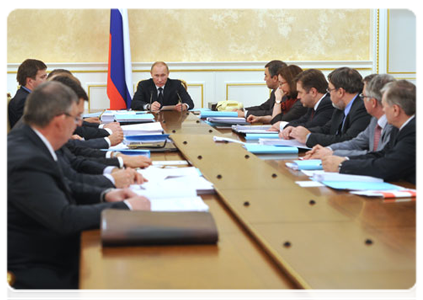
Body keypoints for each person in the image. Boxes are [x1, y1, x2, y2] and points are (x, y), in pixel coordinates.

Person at [5, 81, 151, 300]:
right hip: (32, 266)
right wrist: (126, 207)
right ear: (58, 120)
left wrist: (106, 194)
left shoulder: (34, 139)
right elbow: (64, 218)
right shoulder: (26, 157)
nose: (79, 125)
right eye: (76, 118)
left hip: (48, 246)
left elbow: (68, 182)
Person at [321, 80, 420, 186]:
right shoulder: (399, 127)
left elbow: (388, 167)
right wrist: (345, 160)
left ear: (395, 110)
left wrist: (343, 166)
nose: (383, 110)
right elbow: (382, 154)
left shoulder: (415, 131)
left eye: (385, 106)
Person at [305, 74, 395, 158]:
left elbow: (379, 156)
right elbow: (356, 142)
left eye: (363, 96)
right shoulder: (375, 120)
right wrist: (328, 149)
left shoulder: (394, 125)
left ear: (373, 102)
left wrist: (334, 153)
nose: (361, 100)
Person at [289, 67, 371, 147]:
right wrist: (297, 131)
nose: (329, 94)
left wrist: (309, 137)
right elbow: (326, 129)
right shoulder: (340, 108)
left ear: (340, 92)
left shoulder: (362, 108)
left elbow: (348, 140)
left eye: (330, 90)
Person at [275, 69, 334, 137]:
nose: (298, 97)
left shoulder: (328, 104)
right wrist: (284, 125)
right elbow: (301, 121)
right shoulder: (312, 105)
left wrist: (282, 125)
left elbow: (311, 125)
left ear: (313, 92)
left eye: (300, 92)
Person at [8, 59, 48, 128]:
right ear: (30, 81)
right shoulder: (23, 101)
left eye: (46, 76)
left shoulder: (29, 96)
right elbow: (31, 129)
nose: (46, 80)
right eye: (42, 77)